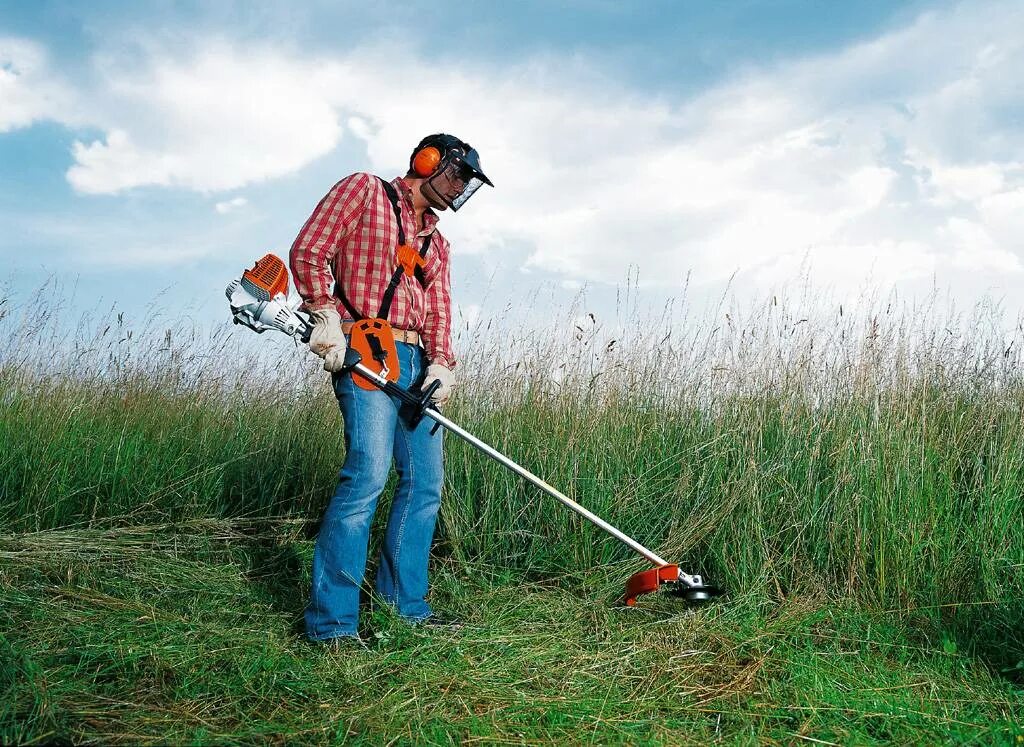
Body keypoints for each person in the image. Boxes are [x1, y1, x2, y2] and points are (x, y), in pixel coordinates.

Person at [289, 133, 493, 645]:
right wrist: (325, 316)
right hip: (364, 347)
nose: (462, 189)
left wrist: (442, 365)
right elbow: (309, 251)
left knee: (424, 484)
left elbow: (440, 307)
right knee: (367, 476)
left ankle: (406, 607)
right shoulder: (364, 192)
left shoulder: (437, 242)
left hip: (417, 362)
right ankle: (332, 625)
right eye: (459, 175)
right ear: (429, 162)